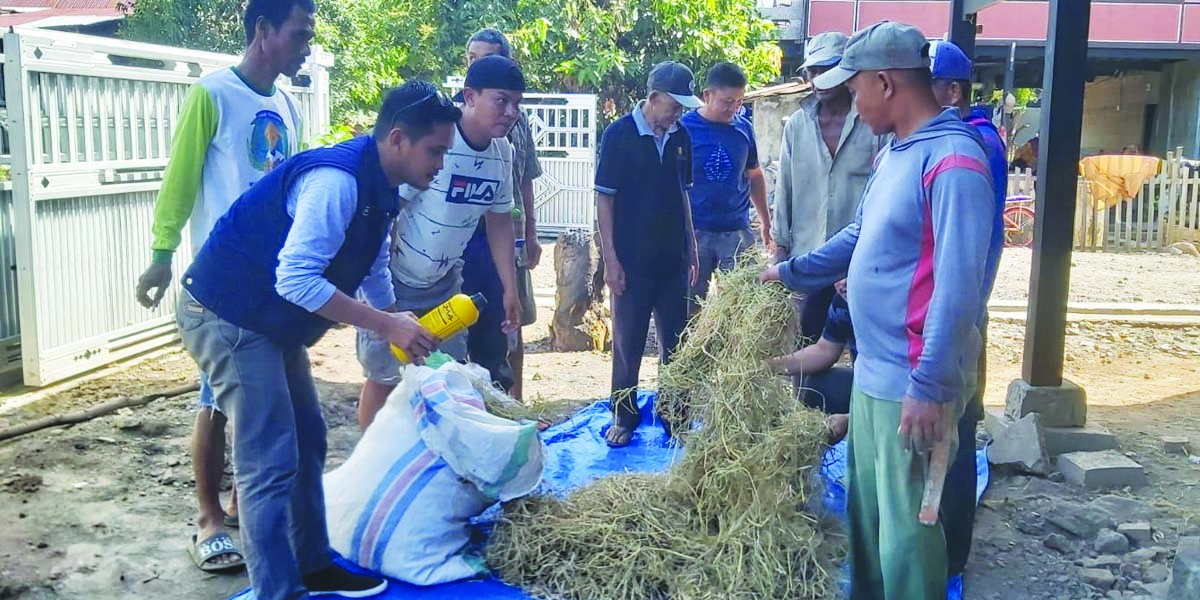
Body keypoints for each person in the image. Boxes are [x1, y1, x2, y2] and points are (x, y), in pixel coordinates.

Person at [176, 81, 459, 600]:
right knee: (270, 458)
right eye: (435, 150)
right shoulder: (338, 181)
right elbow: (296, 279)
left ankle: (311, 563)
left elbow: (370, 260)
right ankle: (278, 591)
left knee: (309, 437)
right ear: (397, 138)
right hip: (227, 312)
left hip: (270, 320)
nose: (441, 162)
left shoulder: (382, 187)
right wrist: (384, 324)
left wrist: (394, 314)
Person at [761, 21, 995, 599]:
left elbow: (959, 288)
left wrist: (931, 384)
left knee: (908, 536)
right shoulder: (896, 152)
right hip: (873, 377)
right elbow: (857, 237)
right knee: (868, 527)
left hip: (911, 384)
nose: (850, 100)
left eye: (855, 87)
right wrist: (788, 272)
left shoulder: (953, 161)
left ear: (885, 83)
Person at [132, 0, 314, 573]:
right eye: (299, 32)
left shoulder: (286, 103)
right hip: (224, 284)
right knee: (216, 399)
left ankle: (239, 506)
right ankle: (209, 518)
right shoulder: (212, 95)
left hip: (274, 281)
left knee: (256, 403)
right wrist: (162, 255)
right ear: (263, 31)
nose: (307, 44)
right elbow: (180, 179)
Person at [355, 55, 525, 430]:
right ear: (470, 96)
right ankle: (370, 463)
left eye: (517, 103)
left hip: (447, 285)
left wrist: (509, 289)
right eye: (501, 100)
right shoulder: (433, 144)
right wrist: (378, 295)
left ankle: (435, 466)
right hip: (394, 283)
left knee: (446, 376)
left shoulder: (503, 153)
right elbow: (387, 213)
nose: (511, 111)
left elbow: (499, 221)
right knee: (385, 378)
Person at [928, 39, 1009, 580]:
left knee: (953, 435)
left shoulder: (971, 147)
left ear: (951, 91)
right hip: (957, 311)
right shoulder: (973, 139)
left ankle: (951, 554)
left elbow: (964, 251)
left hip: (960, 316)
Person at [596, 61, 701, 447]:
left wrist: (691, 247)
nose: (678, 113)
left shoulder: (680, 138)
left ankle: (675, 416)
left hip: (672, 259)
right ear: (653, 98)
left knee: (677, 342)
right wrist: (610, 259)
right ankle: (624, 417)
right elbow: (604, 199)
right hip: (631, 262)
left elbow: (683, 195)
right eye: (674, 105)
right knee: (628, 343)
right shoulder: (619, 135)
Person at [771, 31, 884, 342]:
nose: (817, 79)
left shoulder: (872, 123)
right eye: (812, 72)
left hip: (858, 263)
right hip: (806, 259)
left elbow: (883, 193)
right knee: (804, 348)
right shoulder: (797, 124)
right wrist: (779, 248)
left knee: (859, 348)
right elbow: (785, 190)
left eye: (825, 71)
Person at [459, 28, 544, 399]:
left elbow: (521, 183)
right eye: (472, 59)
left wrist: (530, 234)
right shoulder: (442, 126)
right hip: (453, 248)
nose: (509, 112)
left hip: (504, 238)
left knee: (507, 328)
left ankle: (513, 404)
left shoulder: (511, 130)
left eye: (487, 58)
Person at [680, 61, 770, 314]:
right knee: (690, 308)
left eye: (740, 102)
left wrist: (765, 221)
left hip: (737, 232)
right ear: (707, 95)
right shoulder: (685, 129)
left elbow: (754, 175)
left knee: (743, 307)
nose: (734, 108)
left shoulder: (744, 129)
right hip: (696, 233)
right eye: (728, 101)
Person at [769, 278, 853, 441]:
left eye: (848, 273)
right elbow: (825, 350)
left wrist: (851, 419)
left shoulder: (893, 306)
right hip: (864, 386)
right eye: (837, 275)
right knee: (816, 387)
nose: (841, 283)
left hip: (895, 396)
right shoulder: (843, 302)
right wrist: (769, 367)